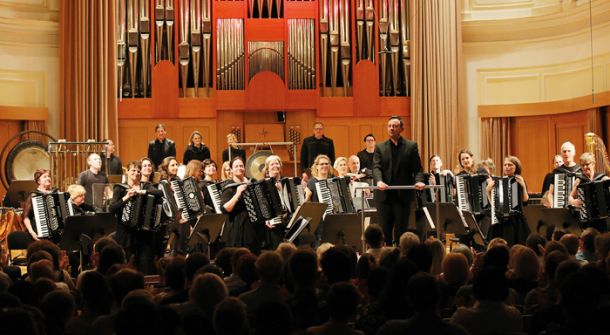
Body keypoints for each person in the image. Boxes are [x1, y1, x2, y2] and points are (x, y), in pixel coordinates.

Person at [373, 116, 425, 245]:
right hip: (384, 196)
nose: (392, 128)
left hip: (403, 197)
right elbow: (376, 167)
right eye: (389, 126)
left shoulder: (411, 146)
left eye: (395, 126)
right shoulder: (380, 147)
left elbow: (417, 168)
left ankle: (400, 258)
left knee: (401, 232)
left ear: (401, 129)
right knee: (385, 232)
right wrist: (379, 181)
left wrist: (419, 181)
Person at [109, 160, 160, 274]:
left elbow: (159, 193)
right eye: (133, 170)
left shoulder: (146, 185)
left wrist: (141, 191)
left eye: (138, 171)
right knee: (127, 266)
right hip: (126, 233)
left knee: (145, 265)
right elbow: (111, 209)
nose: (136, 173)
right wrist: (126, 197)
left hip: (143, 234)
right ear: (127, 172)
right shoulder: (120, 188)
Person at [485, 156, 530, 245]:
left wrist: (523, 186)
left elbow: (525, 202)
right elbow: (494, 205)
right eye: (505, 165)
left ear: (516, 167)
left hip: (516, 220)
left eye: (510, 165)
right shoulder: (498, 181)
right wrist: (487, 191)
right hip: (500, 220)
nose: (507, 167)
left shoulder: (519, 180)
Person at [221, 156, 262, 253]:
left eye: (241, 166)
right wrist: (237, 194)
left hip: (253, 227)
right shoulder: (229, 187)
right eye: (236, 166)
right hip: (237, 227)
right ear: (231, 170)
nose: (239, 168)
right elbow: (225, 209)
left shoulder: (252, 182)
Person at [568, 152, 609, 232]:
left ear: (593, 164)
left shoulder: (602, 178)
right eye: (582, 165)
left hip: (603, 219)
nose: (585, 167)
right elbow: (570, 197)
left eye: (587, 164)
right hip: (587, 219)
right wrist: (573, 201)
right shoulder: (579, 180)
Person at [545, 141, 582, 207]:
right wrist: (552, 206)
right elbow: (550, 193)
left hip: (579, 208)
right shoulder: (557, 171)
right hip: (562, 207)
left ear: (574, 153)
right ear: (561, 154)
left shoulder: (581, 170)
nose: (566, 154)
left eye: (569, 151)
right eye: (564, 151)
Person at [23, 169, 54, 240]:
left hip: (56, 234)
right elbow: (26, 217)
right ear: (38, 181)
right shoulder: (34, 195)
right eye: (45, 177)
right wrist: (31, 232)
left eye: (49, 176)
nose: (48, 178)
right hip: (40, 232)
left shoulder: (56, 192)